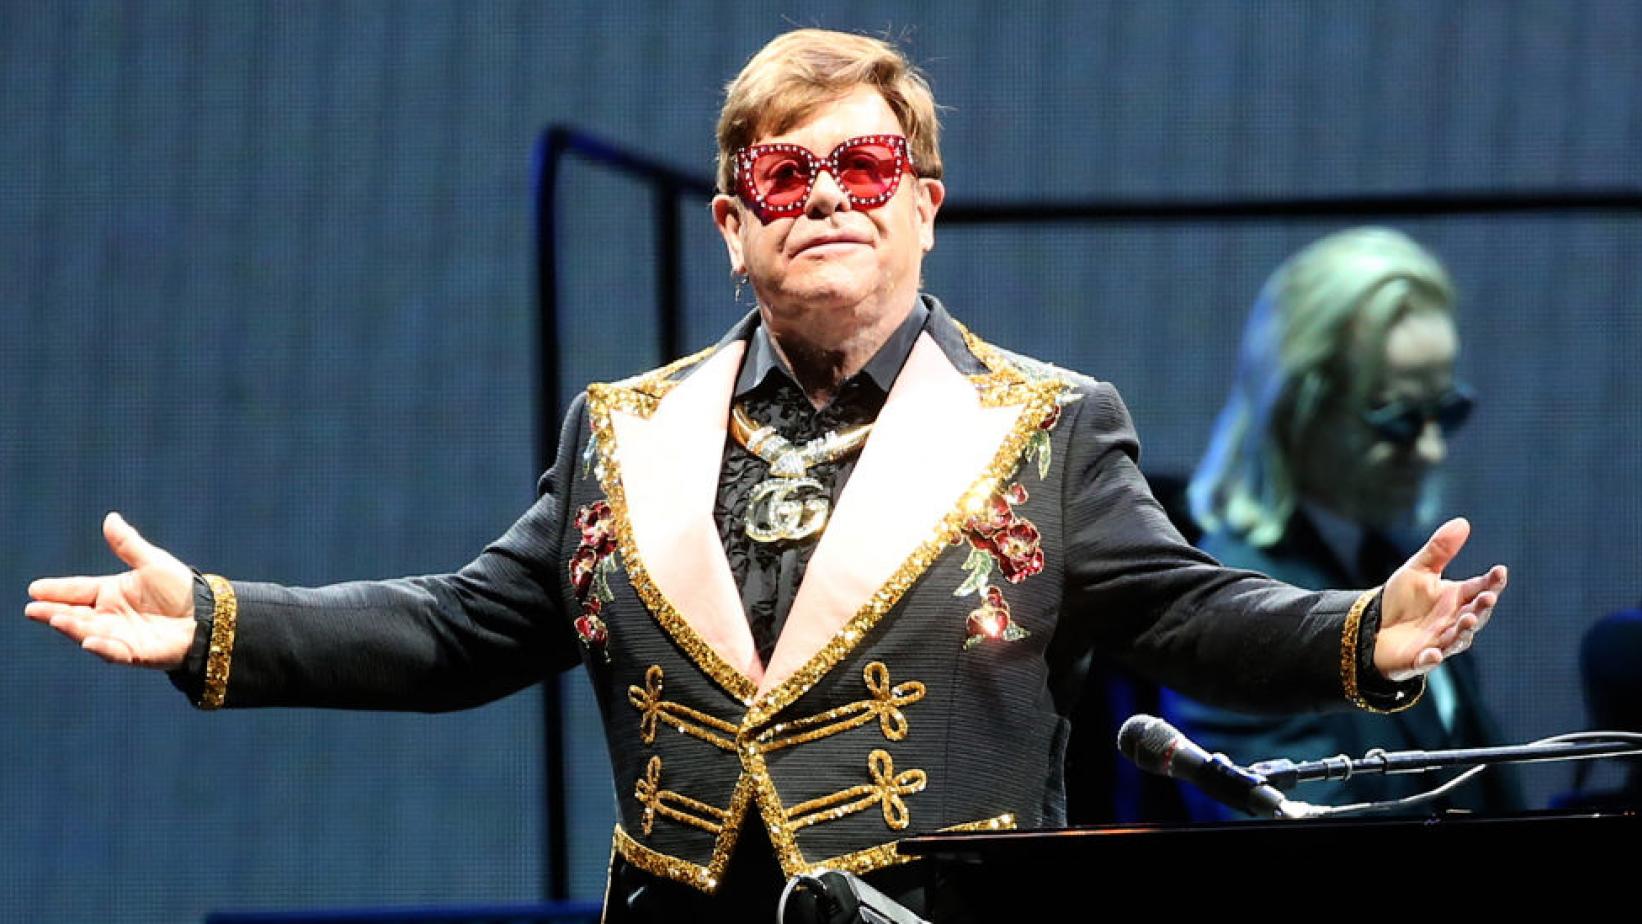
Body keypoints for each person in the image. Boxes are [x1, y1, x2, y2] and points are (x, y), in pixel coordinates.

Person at [27, 30, 1507, 922]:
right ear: (733, 225)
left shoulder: (1043, 427)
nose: (827, 202)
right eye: (785, 177)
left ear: (924, 206)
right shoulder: (623, 433)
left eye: (864, 170)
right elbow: (460, 627)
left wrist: (1354, 635)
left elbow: (1182, 610)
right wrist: (217, 621)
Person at [1163, 227, 1523, 817]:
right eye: (1397, 418)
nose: (1431, 449)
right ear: (1299, 410)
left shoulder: (1389, 557)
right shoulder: (1235, 605)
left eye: (1446, 410)